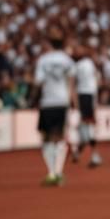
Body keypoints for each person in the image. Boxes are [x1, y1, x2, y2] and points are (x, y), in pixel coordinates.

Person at [33, 27, 76, 186]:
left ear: (49, 44)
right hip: (62, 101)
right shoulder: (67, 59)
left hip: (47, 101)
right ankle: (58, 172)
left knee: (46, 137)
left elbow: (38, 82)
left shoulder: (43, 60)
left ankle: (51, 172)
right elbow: (71, 82)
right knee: (60, 137)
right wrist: (72, 102)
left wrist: (33, 99)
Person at [72, 41, 103, 167]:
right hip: (85, 95)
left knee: (86, 125)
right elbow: (73, 84)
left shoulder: (86, 64)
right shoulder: (79, 65)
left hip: (88, 95)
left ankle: (79, 153)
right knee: (87, 125)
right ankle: (93, 155)